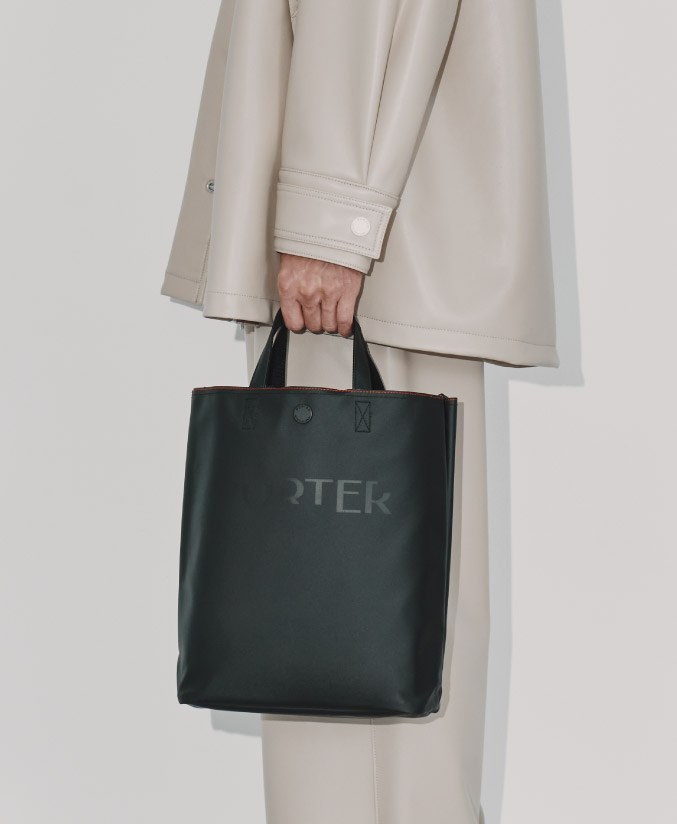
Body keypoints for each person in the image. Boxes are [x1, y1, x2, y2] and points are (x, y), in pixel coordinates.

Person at [160, 1, 559, 822]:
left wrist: (331, 224)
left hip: (367, 254)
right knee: (402, 633)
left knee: (338, 652)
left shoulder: (342, 247)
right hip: (401, 234)